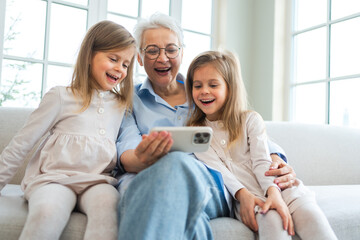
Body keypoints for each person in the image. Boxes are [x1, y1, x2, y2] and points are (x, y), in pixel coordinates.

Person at [115, 13, 298, 239]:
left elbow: (241, 128)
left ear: (181, 53)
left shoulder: (203, 93)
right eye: (152, 50)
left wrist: (276, 158)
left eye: (171, 49)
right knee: (179, 201)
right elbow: (127, 155)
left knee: (177, 163)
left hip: (208, 184)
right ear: (140, 58)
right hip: (146, 177)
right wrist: (144, 157)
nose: (163, 58)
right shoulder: (128, 99)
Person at [0, 20, 136, 240]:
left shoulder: (121, 106)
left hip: (97, 181)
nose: (120, 69)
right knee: (47, 212)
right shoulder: (60, 96)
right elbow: (21, 144)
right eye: (113, 59)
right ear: (90, 55)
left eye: (126, 64)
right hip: (54, 179)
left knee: (110, 210)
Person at [185, 50, 337, 239]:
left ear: (230, 88)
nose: (204, 91)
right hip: (249, 200)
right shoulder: (196, 133)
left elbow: (262, 161)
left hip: (281, 188)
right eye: (197, 86)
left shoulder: (251, 120)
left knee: (311, 218)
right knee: (272, 221)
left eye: (213, 84)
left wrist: (274, 193)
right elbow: (220, 173)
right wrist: (243, 195)